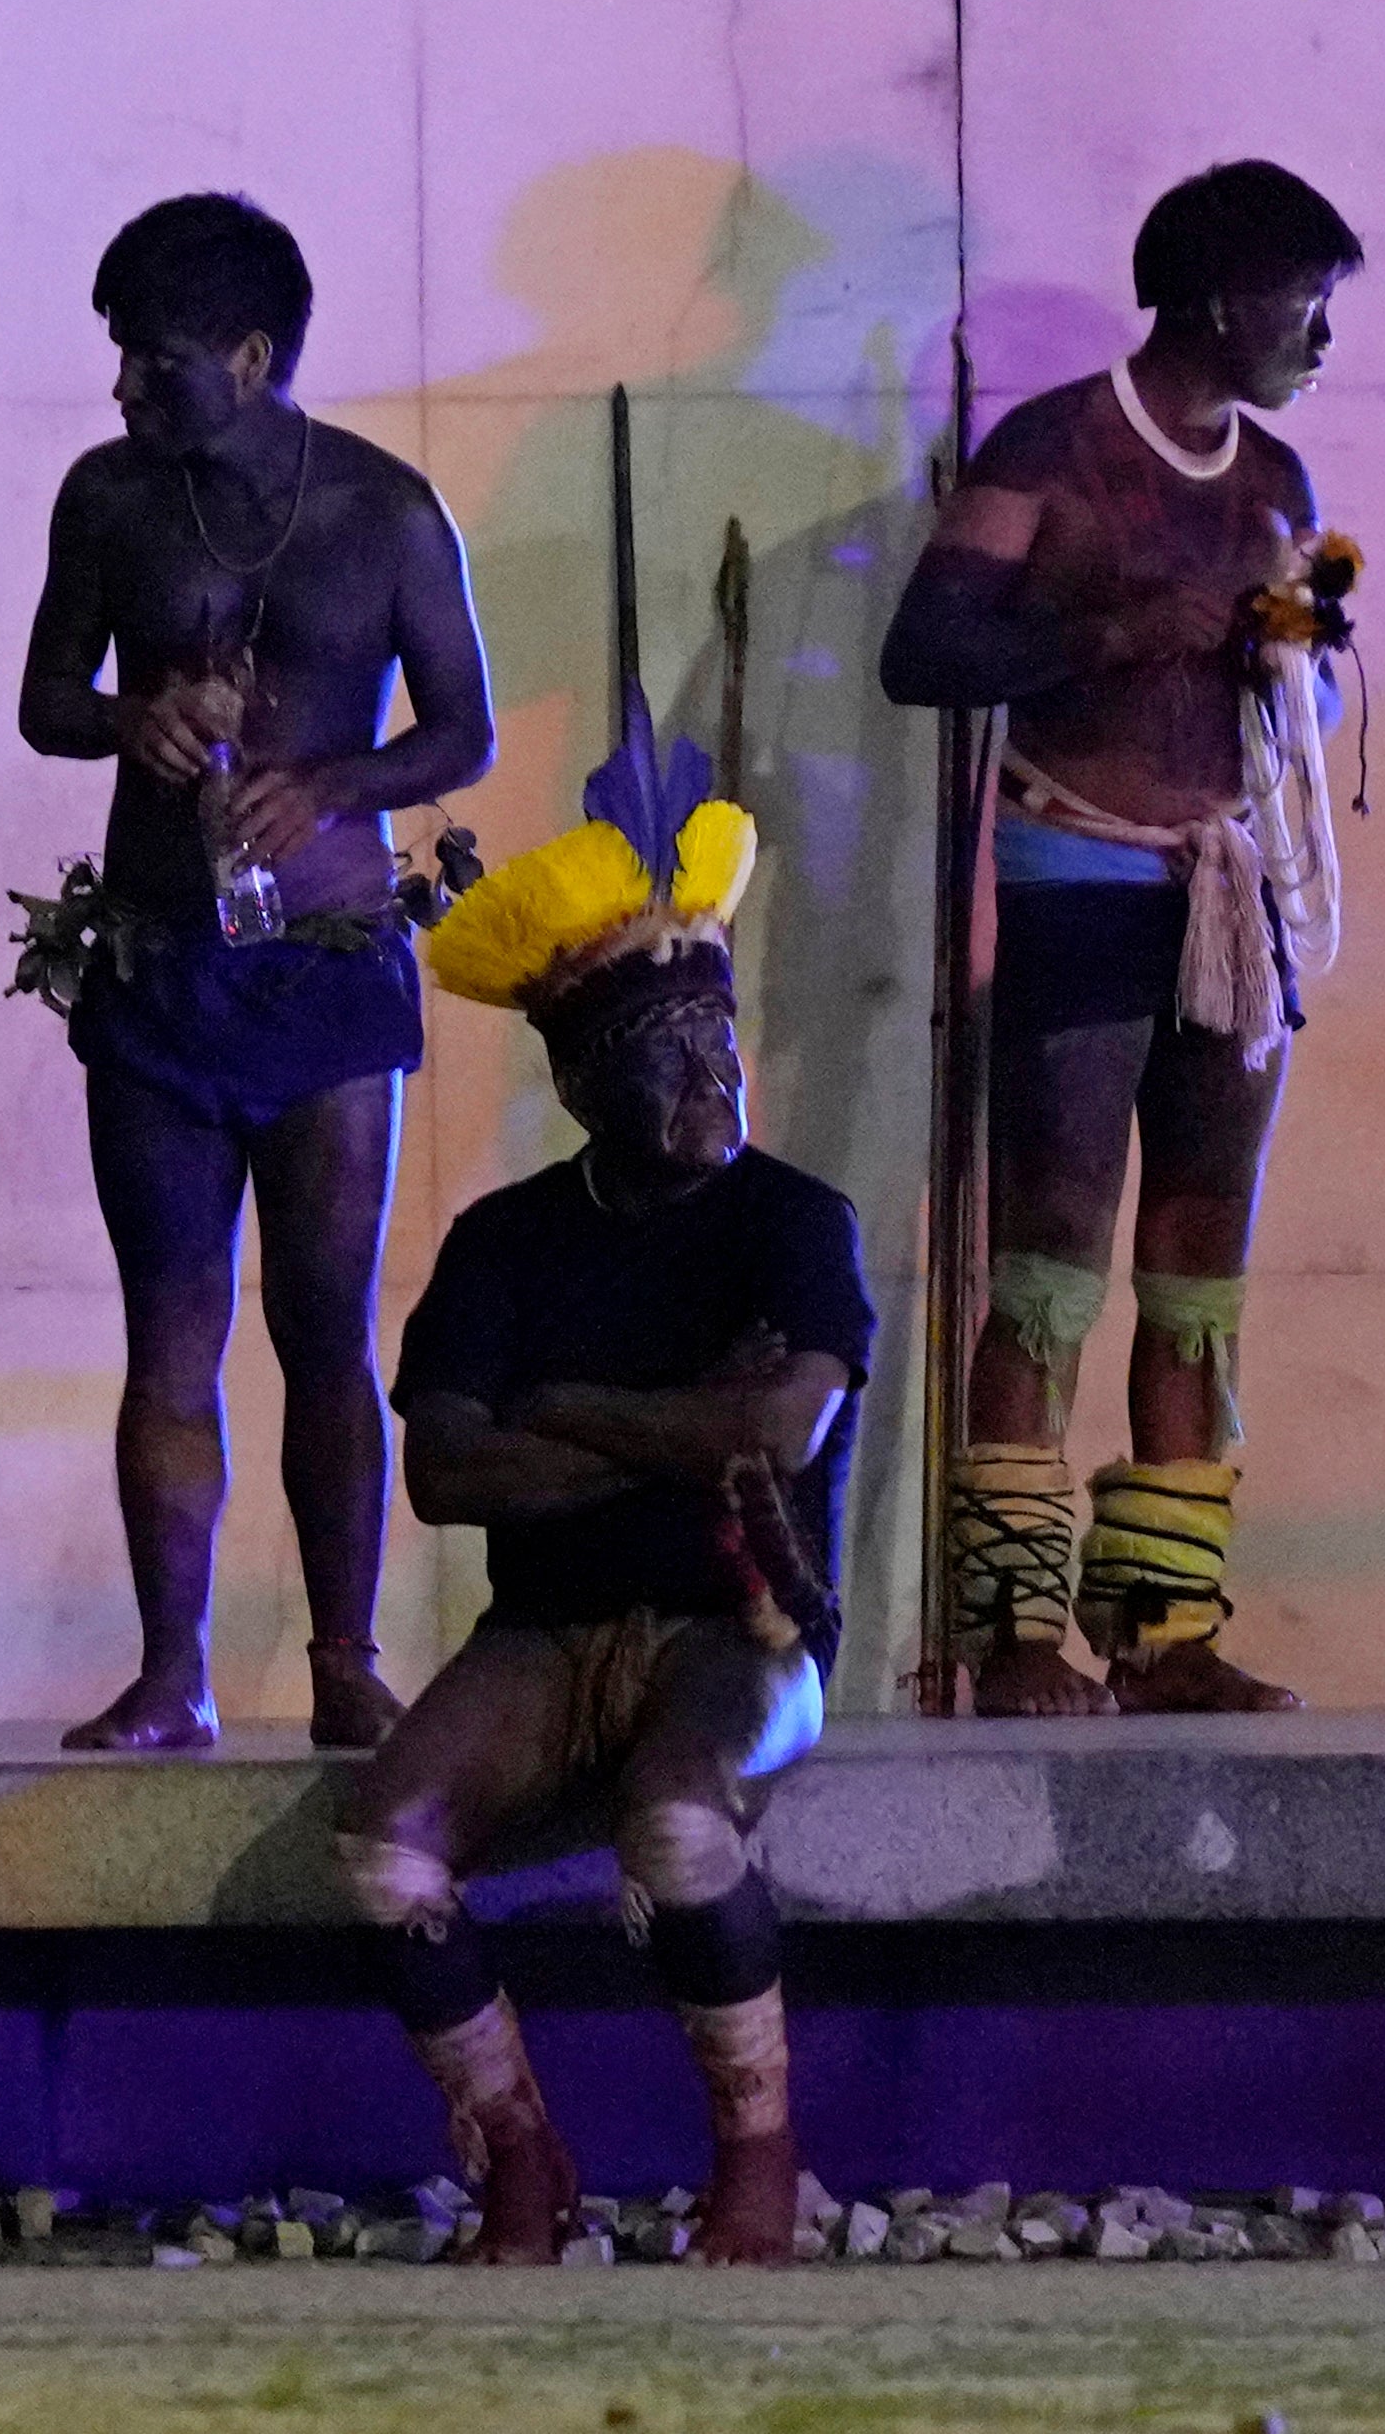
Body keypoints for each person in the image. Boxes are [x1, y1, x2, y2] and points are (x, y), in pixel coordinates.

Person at [337, 792, 862, 2266]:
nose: (717, 1075)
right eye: (668, 1054)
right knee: (384, 1850)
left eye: (723, 1037)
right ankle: (520, 2152)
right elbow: (444, 1474)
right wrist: (679, 1426)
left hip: (742, 1622)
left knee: (682, 1819)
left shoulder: (795, 1221)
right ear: (578, 1082)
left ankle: (757, 2162)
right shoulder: (504, 1242)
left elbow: (776, 1437)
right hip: (546, 1635)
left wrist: (564, 1407)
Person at [13, 194, 496, 1756]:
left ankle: (347, 1659)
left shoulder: (385, 511)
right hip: (159, 970)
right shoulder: (106, 501)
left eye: (153, 362)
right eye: (118, 360)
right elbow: (42, 698)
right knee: (170, 1331)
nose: (125, 391)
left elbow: (464, 732)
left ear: (253, 353)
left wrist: (337, 784)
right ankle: (174, 1677)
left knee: (324, 1324)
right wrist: (125, 717)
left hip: (329, 971)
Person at [881, 159, 1360, 1716]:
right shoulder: (1054, 445)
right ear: (1224, 298)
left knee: (1198, 1269)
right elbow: (929, 647)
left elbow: (1307, 663)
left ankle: (1165, 1634)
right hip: (1082, 867)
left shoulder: (1279, 477)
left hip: (1234, 894)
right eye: (1308, 303)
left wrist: (1296, 639)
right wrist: (1103, 632)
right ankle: (1018, 1626)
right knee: (1049, 1260)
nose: (1320, 337)